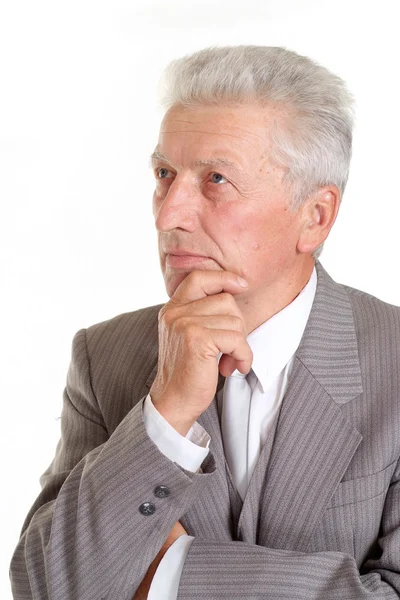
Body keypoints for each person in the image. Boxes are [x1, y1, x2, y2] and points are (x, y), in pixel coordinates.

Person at [10, 45, 400, 600]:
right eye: (164, 174)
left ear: (315, 217)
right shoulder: (105, 356)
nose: (169, 214)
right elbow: (44, 587)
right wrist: (163, 417)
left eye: (215, 178)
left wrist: (173, 574)